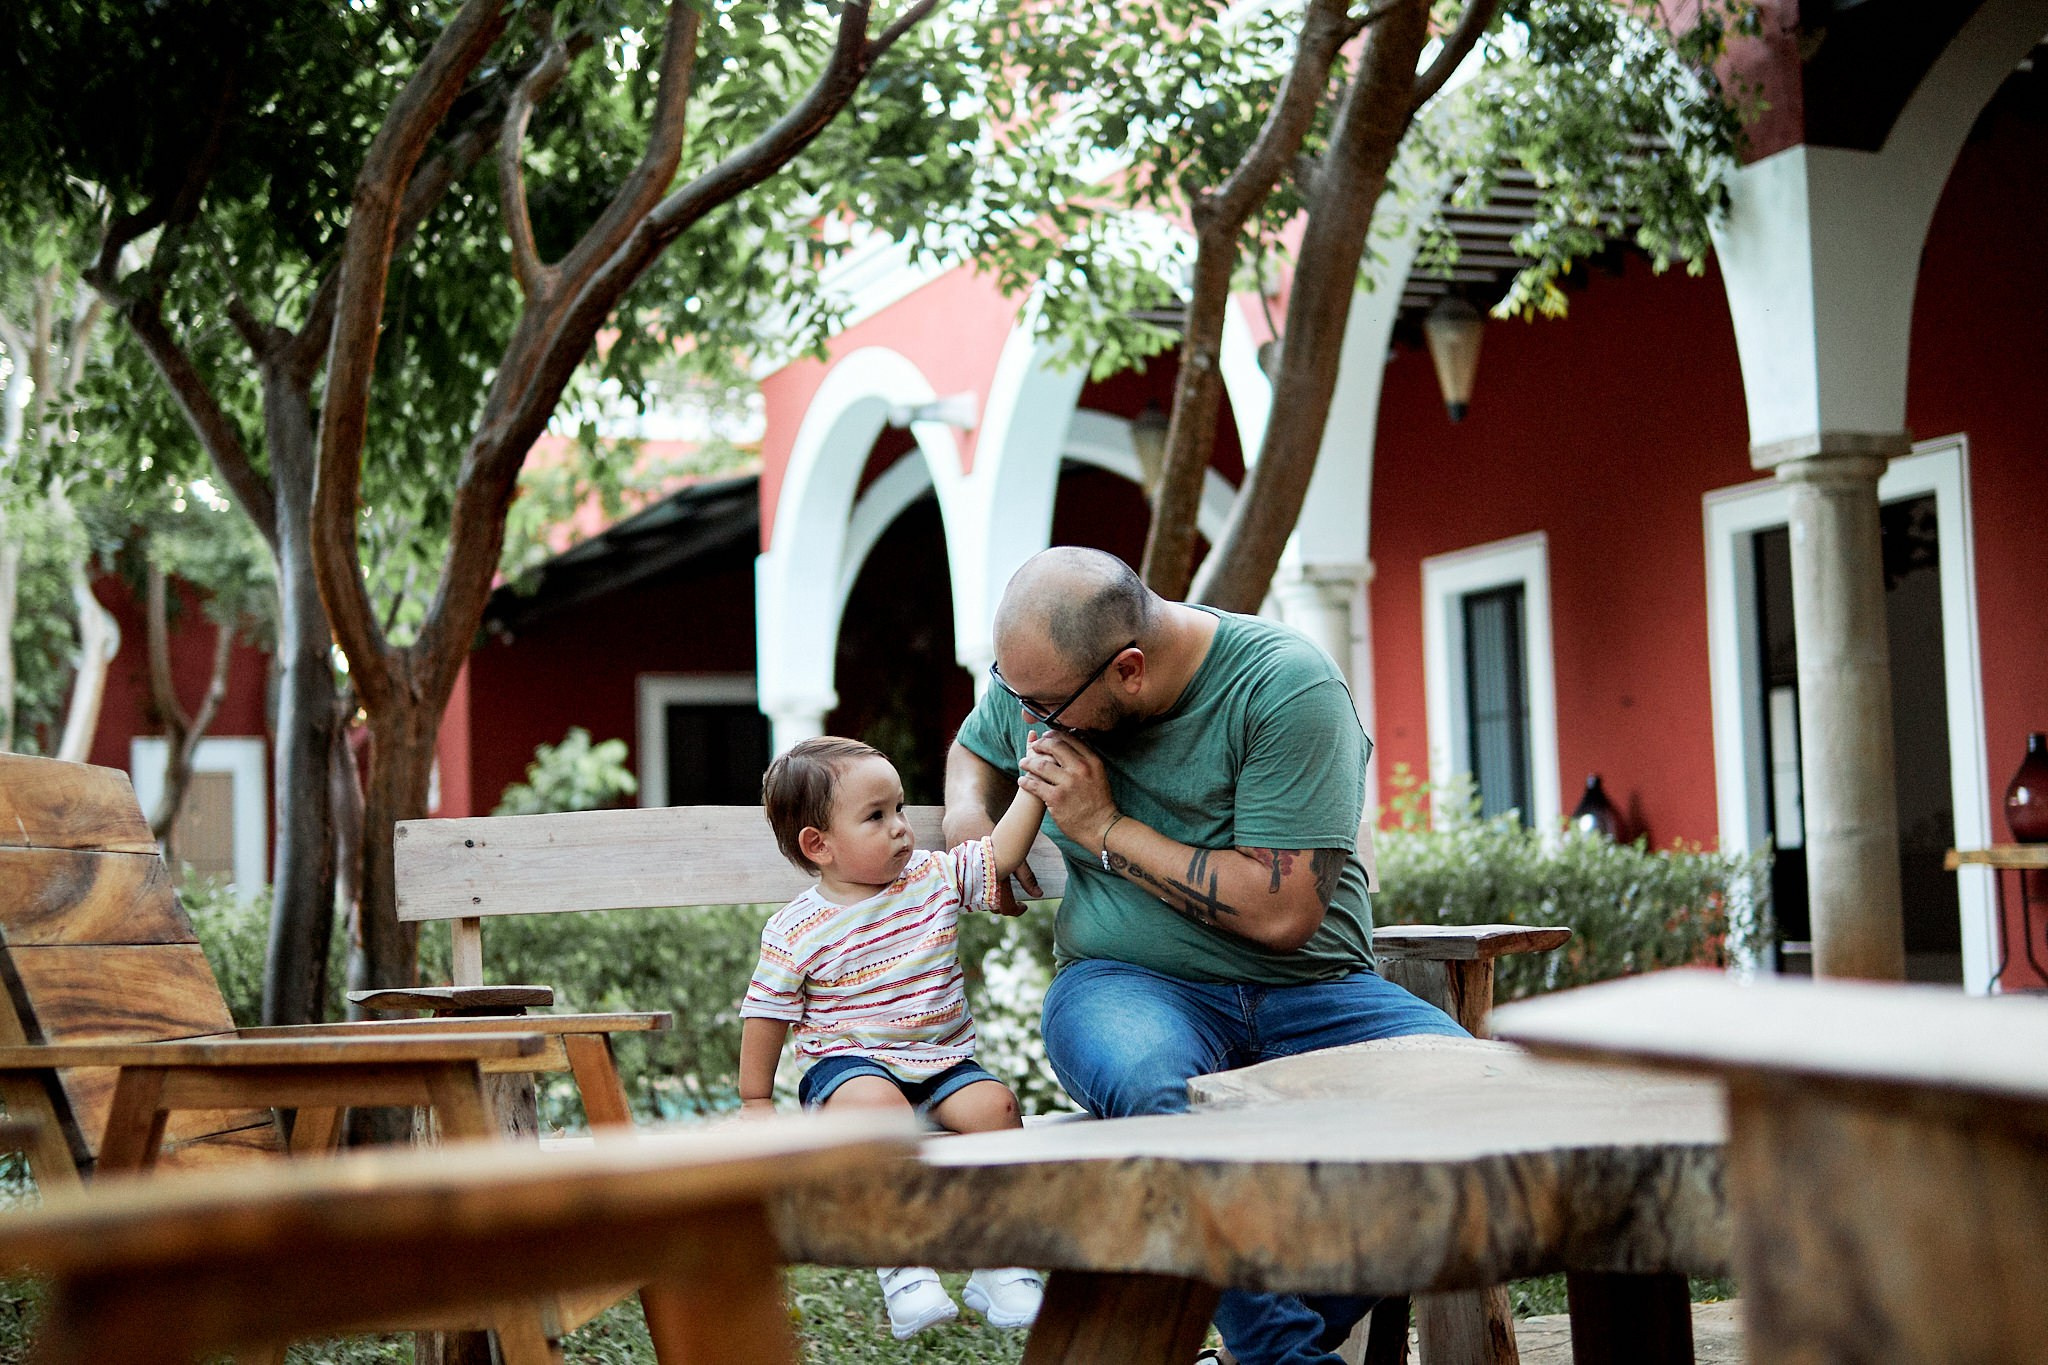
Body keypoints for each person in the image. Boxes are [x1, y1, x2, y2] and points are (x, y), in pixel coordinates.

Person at [943, 547, 1465, 1365]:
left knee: (1471, 1107)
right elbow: (977, 745)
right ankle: (1286, 1356)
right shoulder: (1044, 683)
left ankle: (1261, 1347)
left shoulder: (1286, 687)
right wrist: (967, 817)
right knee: (1164, 1095)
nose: (1031, 723)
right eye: (1018, 696)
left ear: (1129, 670)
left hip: (1311, 991)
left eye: (1045, 706)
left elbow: (1282, 909)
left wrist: (1105, 828)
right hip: (1125, 988)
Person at [739, 734, 1047, 1340]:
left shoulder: (931, 878)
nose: (902, 828)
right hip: (849, 1070)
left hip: (940, 1063)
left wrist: (1035, 785)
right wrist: (755, 1100)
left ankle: (1001, 1259)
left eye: (900, 808)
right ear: (818, 845)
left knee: (997, 1106)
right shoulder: (797, 928)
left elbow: (1000, 855)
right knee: (876, 1106)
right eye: (876, 817)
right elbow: (766, 1014)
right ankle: (904, 1267)